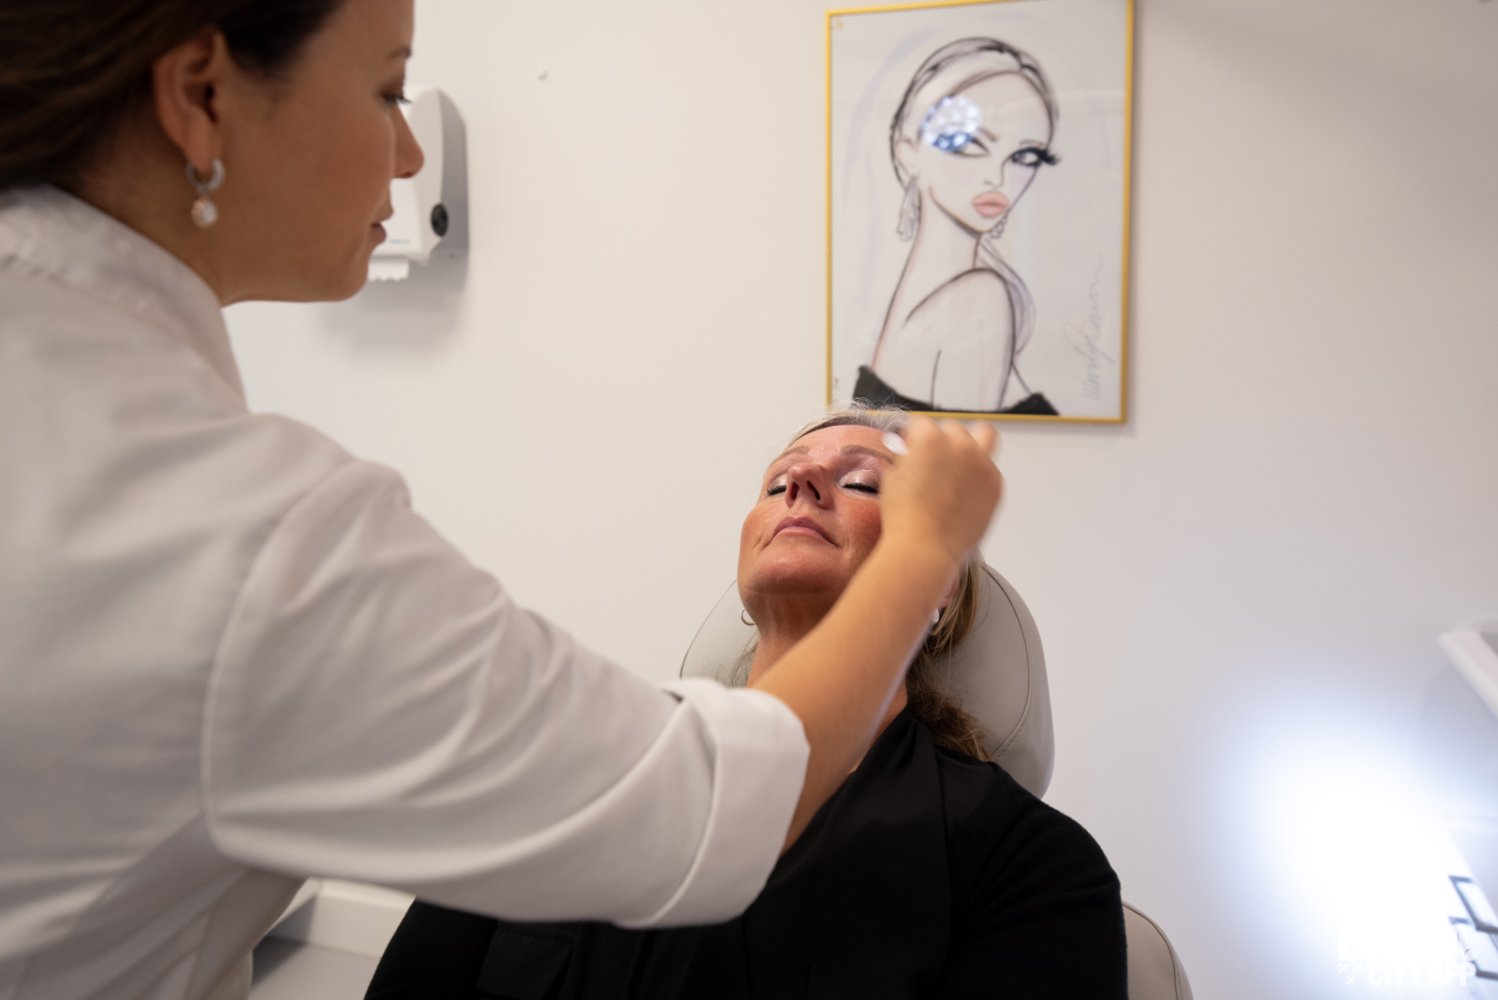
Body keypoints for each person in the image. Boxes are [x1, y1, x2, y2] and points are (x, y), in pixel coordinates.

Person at [0, 3, 1004, 998]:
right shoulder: (243, 536)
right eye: (388, 89)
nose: (409, 153)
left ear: (949, 605)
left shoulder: (1011, 864)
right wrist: (925, 542)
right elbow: (697, 810)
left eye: (864, 481)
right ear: (202, 95)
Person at [364, 408, 1128, 1000]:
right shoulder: (574, 772)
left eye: (864, 482)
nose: (802, 481)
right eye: (776, 480)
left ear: (939, 590)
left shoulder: (1030, 867)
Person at [856, 37, 1063, 416]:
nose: (998, 177)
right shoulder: (977, 300)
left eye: (1025, 155)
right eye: (967, 144)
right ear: (908, 154)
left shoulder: (966, 298)